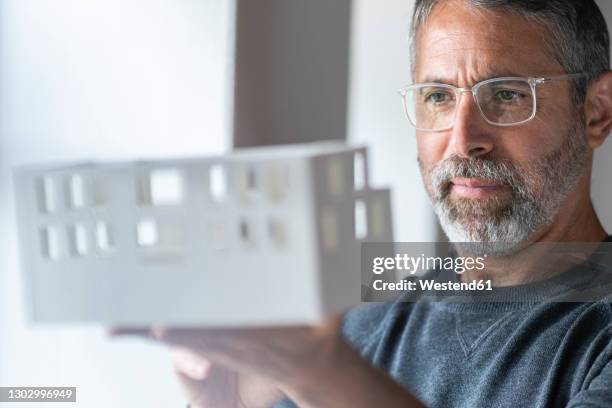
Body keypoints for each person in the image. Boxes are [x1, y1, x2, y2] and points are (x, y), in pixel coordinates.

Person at [112, 0, 612, 406]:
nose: (463, 140)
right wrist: (222, 402)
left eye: (506, 94)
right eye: (438, 96)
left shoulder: (597, 340)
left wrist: (324, 376)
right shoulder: (367, 326)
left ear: (596, 112)